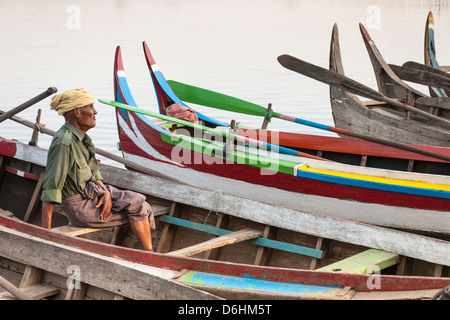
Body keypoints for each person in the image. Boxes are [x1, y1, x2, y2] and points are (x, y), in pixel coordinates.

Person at [40, 88, 155, 251]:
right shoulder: (63, 142)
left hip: (94, 194)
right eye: (91, 107)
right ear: (77, 112)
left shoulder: (83, 138)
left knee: (137, 200)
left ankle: (148, 254)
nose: (95, 112)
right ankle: (149, 256)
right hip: (80, 207)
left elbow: (93, 172)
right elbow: (51, 187)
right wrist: (46, 233)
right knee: (140, 207)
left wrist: (105, 191)